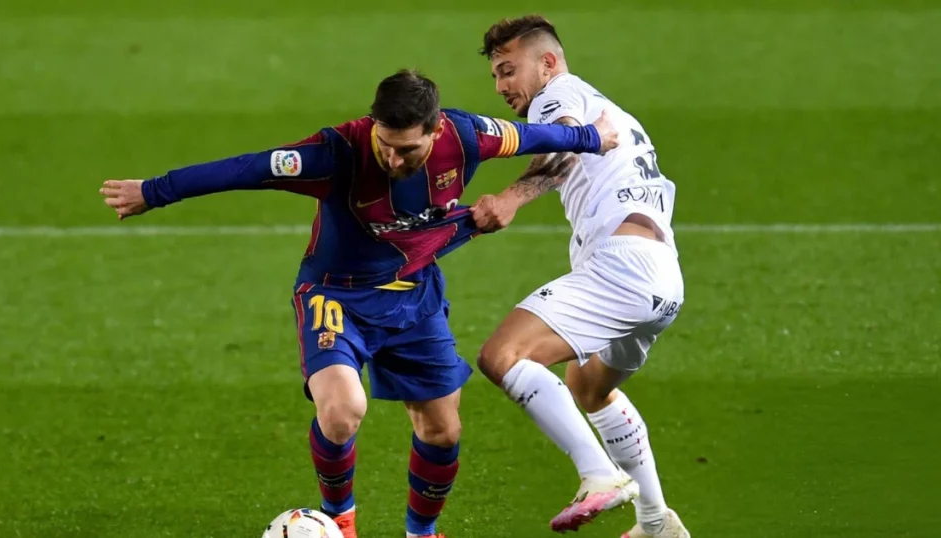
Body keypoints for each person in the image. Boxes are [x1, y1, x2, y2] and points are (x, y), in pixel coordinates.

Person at [99, 69, 620, 538]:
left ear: (436, 131)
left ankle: (422, 532)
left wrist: (593, 137)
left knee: (443, 428)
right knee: (344, 408)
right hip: (335, 294)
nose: (393, 159)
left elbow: (535, 136)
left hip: (414, 293)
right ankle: (338, 523)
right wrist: (154, 190)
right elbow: (247, 168)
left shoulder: (467, 136)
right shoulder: (337, 154)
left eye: (407, 150)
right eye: (386, 145)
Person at [471, 16, 691, 537]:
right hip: (662, 281)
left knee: (503, 357)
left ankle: (599, 475)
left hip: (623, 268)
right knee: (588, 388)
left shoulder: (559, 92)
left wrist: (509, 197)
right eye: (495, 76)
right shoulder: (611, 108)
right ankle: (656, 523)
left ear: (547, 63)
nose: (502, 86)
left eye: (508, 70)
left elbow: (565, 145)